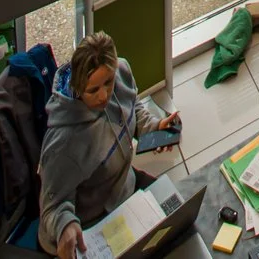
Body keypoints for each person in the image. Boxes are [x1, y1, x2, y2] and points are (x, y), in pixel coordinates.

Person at [39, 33, 178, 257]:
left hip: (127, 188)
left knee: (180, 224)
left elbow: (133, 109)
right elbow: (52, 207)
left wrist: (154, 127)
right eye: (93, 90)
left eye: (109, 83)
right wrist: (65, 225)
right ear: (77, 86)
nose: (104, 96)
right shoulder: (63, 143)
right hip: (97, 221)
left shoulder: (121, 70)